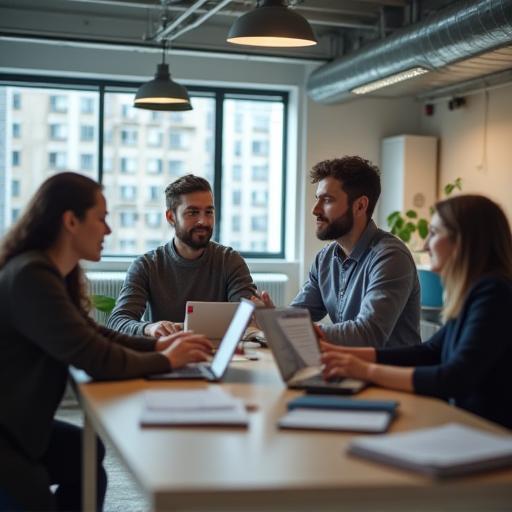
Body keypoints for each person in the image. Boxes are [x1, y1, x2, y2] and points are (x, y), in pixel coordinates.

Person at [0, 172, 213, 511]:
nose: (108, 231)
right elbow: (95, 357)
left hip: (18, 426)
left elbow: (92, 333)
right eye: (101, 219)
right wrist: (169, 360)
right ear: (71, 221)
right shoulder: (31, 276)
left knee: (86, 454)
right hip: (8, 437)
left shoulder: (49, 273)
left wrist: (158, 347)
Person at [321, 194, 512, 429]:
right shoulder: (476, 292)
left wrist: (366, 370)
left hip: (492, 438)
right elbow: (429, 352)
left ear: (462, 241)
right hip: (471, 429)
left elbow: (454, 378)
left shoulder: (494, 293)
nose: (424, 244)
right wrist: (339, 353)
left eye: (433, 233)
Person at [259, 156, 421, 348]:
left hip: (389, 375)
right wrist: (273, 318)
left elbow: (368, 334)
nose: (315, 210)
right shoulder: (325, 259)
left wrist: (295, 329)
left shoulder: (390, 257)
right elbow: (298, 316)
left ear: (360, 206)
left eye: (327, 200)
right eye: (317, 199)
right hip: (348, 369)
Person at [107, 174, 256, 337]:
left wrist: (261, 315)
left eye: (208, 212)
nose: (203, 221)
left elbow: (246, 317)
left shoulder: (230, 261)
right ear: (171, 217)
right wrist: (150, 328)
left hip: (218, 356)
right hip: (167, 357)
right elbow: (118, 321)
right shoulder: (147, 265)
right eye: (193, 213)